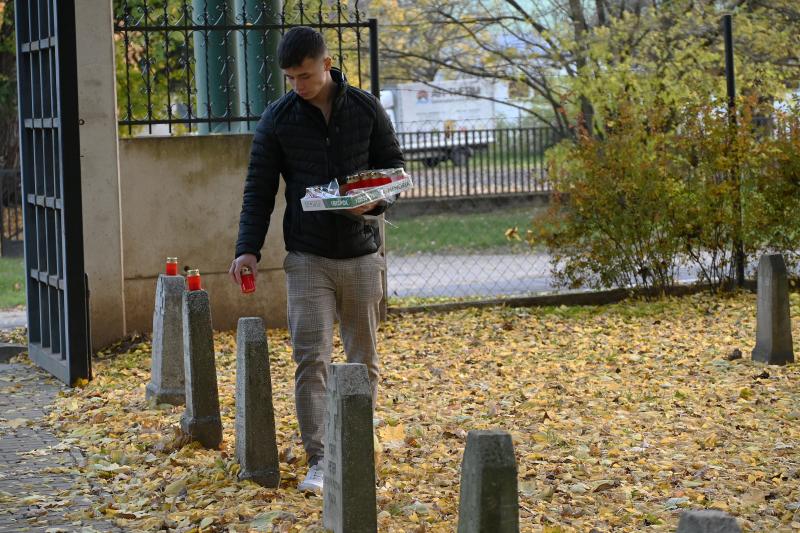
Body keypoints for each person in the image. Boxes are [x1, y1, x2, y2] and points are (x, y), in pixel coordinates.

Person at [229, 26, 403, 493]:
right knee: (311, 359)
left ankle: (356, 452)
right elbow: (258, 190)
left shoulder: (366, 108)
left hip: (362, 252)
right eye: (290, 78)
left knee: (362, 358)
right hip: (306, 257)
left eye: (304, 75)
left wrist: (376, 203)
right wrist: (247, 248)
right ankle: (322, 460)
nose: (298, 86)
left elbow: (393, 169)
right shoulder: (278, 118)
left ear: (326, 65)